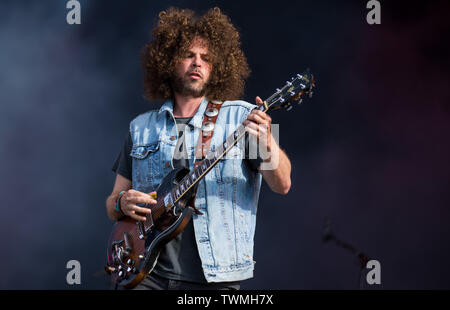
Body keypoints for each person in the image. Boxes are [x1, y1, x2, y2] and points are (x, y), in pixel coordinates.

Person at [105, 7, 291, 290]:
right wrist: (121, 203)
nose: (197, 63)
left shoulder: (245, 116)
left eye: (206, 58)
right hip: (147, 274)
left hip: (214, 278)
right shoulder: (140, 127)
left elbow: (283, 184)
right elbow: (112, 204)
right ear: (168, 60)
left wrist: (266, 141)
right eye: (188, 55)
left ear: (217, 67)